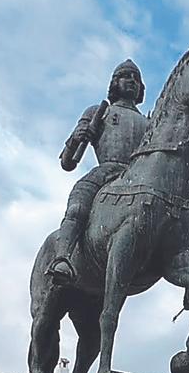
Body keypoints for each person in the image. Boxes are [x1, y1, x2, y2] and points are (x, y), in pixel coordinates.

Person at [49, 59, 150, 282]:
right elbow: (67, 162)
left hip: (138, 178)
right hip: (106, 172)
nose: (131, 81)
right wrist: (76, 138)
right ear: (115, 82)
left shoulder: (148, 122)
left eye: (136, 79)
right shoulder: (98, 112)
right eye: (125, 76)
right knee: (77, 207)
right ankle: (62, 258)